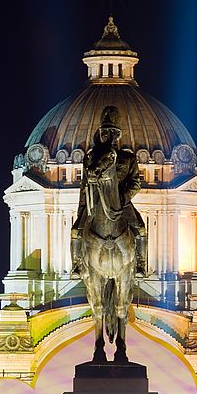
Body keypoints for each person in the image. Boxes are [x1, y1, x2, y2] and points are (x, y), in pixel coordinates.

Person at [70, 105, 147, 278]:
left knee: (141, 228)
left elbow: (135, 184)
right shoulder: (91, 157)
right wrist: (82, 210)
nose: (108, 136)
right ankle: (77, 265)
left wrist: (123, 198)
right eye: (105, 132)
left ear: (117, 135)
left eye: (112, 132)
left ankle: (141, 264)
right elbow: (84, 187)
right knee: (76, 231)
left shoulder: (128, 158)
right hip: (95, 201)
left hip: (121, 202)